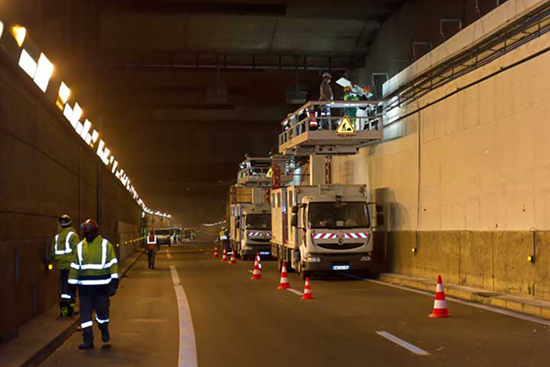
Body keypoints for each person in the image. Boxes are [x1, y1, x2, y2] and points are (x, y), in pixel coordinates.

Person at [68, 220, 118, 349]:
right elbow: (74, 267)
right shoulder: (80, 247)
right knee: (85, 316)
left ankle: (103, 327)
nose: (88, 235)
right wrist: (71, 287)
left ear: (96, 231)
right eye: (86, 233)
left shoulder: (106, 245)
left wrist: (114, 283)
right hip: (85, 290)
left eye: (90, 232)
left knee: (102, 314)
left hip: (101, 289)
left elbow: (113, 265)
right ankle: (87, 339)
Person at [49, 214, 80, 317]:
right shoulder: (73, 236)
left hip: (62, 266)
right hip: (71, 266)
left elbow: (53, 253)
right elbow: (77, 251)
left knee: (64, 289)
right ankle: (70, 308)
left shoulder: (57, 237)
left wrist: (49, 260)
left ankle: (64, 310)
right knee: (71, 288)